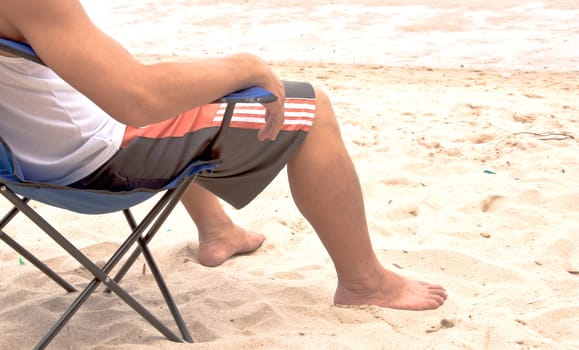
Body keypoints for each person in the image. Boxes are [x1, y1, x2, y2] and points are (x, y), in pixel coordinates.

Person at [0, 0, 447, 310]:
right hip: (99, 163)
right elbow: (135, 99)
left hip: (22, 165)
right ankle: (364, 282)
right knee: (310, 106)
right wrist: (247, 65)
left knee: (186, 90)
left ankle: (218, 230)